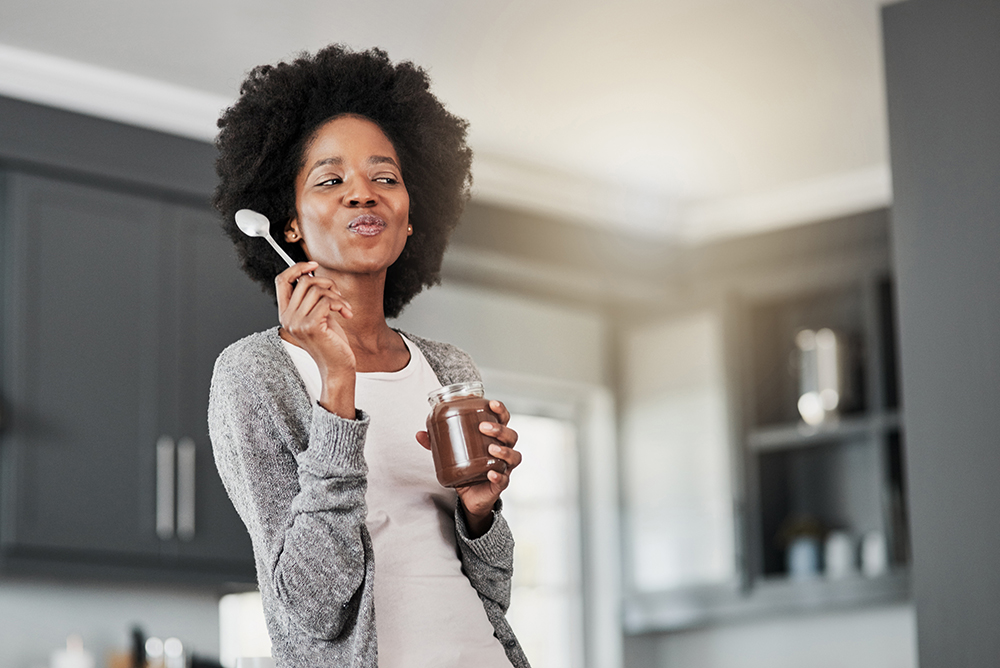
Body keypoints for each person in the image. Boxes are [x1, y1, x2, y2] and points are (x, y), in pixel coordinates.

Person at [208, 45, 528, 668]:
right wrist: (336, 386)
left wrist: (481, 511)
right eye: (330, 180)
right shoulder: (255, 375)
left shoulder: (449, 371)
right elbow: (309, 608)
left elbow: (492, 593)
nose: (363, 194)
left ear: (411, 219)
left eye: (385, 178)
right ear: (290, 223)